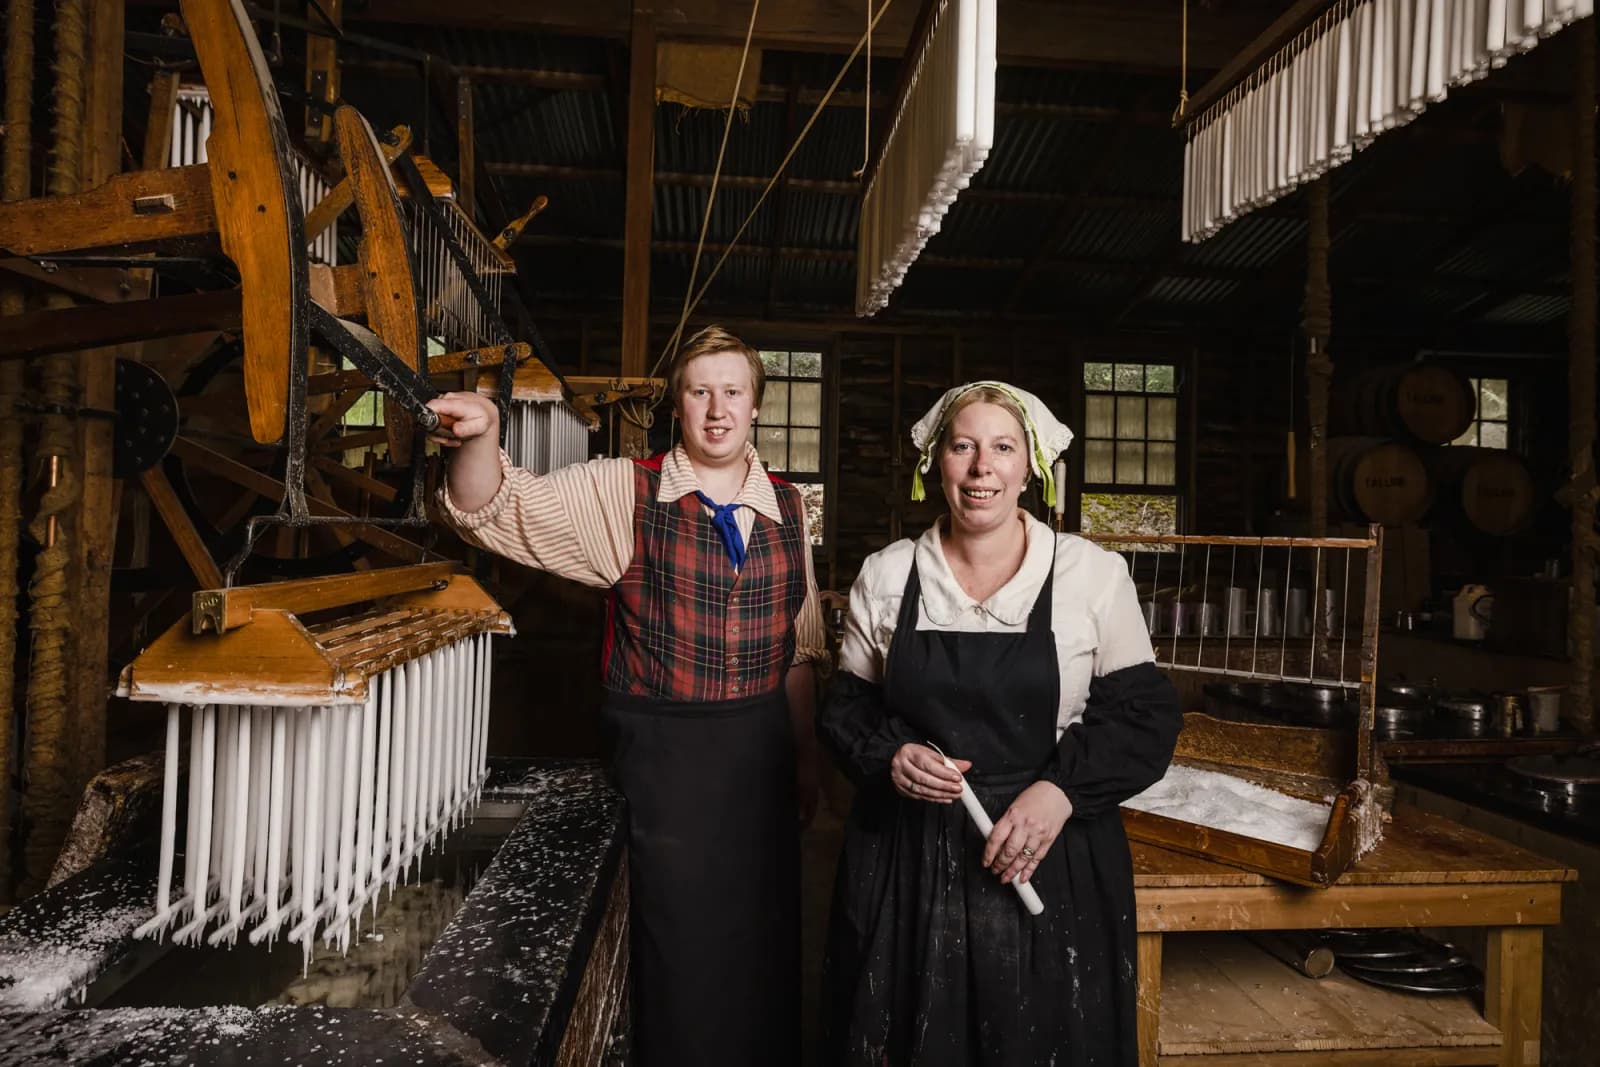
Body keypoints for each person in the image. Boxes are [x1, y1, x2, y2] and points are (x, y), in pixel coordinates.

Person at [427, 326, 825, 1067]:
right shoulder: (625, 490)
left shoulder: (790, 508)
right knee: (676, 961)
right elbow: (499, 507)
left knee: (760, 952)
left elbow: (797, 650)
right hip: (665, 769)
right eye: (699, 391)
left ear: (757, 407)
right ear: (677, 405)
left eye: (732, 391)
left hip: (761, 762)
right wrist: (477, 439)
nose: (717, 409)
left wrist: (804, 761)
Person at [818, 381, 1182, 1066]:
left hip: (1052, 854)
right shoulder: (889, 575)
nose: (982, 466)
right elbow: (844, 708)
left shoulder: (1091, 576)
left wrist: (1060, 792)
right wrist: (891, 754)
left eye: (1002, 447)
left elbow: (1144, 716)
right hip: (907, 862)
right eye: (963, 446)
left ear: (1030, 467)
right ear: (937, 464)